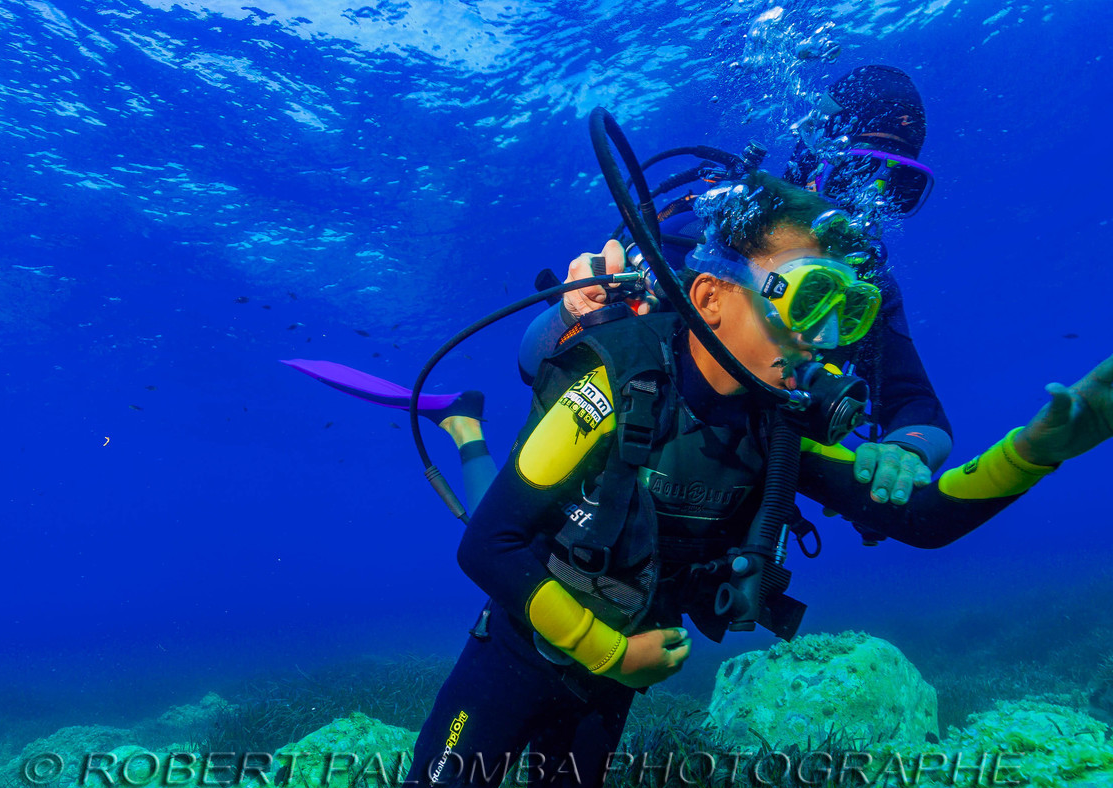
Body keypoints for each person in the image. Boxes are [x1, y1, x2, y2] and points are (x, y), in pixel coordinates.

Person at [155, 172, 1113, 788]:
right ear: (713, 295)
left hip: (611, 681)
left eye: (847, 309)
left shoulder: (777, 429)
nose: (823, 338)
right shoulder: (611, 380)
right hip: (523, 648)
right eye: (809, 299)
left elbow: (922, 518)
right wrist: (608, 647)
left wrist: (1043, 445)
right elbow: (488, 548)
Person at [287, 65, 952, 533]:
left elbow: (917, 405)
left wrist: (908, 450)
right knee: (500, 531)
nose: (864, 208)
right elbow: (534, 357)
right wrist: (574, 311)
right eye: (857, 170)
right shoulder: (710, 236)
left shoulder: (867, 294)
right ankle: (466, 429)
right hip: (614, 463)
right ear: (810, 159)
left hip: (715, 502)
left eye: (901, 189)